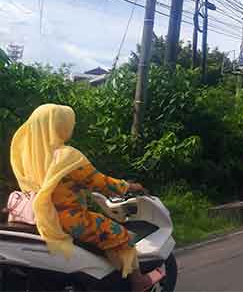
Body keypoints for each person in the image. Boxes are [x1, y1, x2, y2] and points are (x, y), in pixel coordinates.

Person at [9, 104, 162, 291]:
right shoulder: (66, 156)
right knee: (119, 233)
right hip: (68, 218)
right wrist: (128, 186)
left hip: (37, 215)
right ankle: (138, 281)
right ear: (58, 125)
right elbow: (98, 182)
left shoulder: (27, 154)